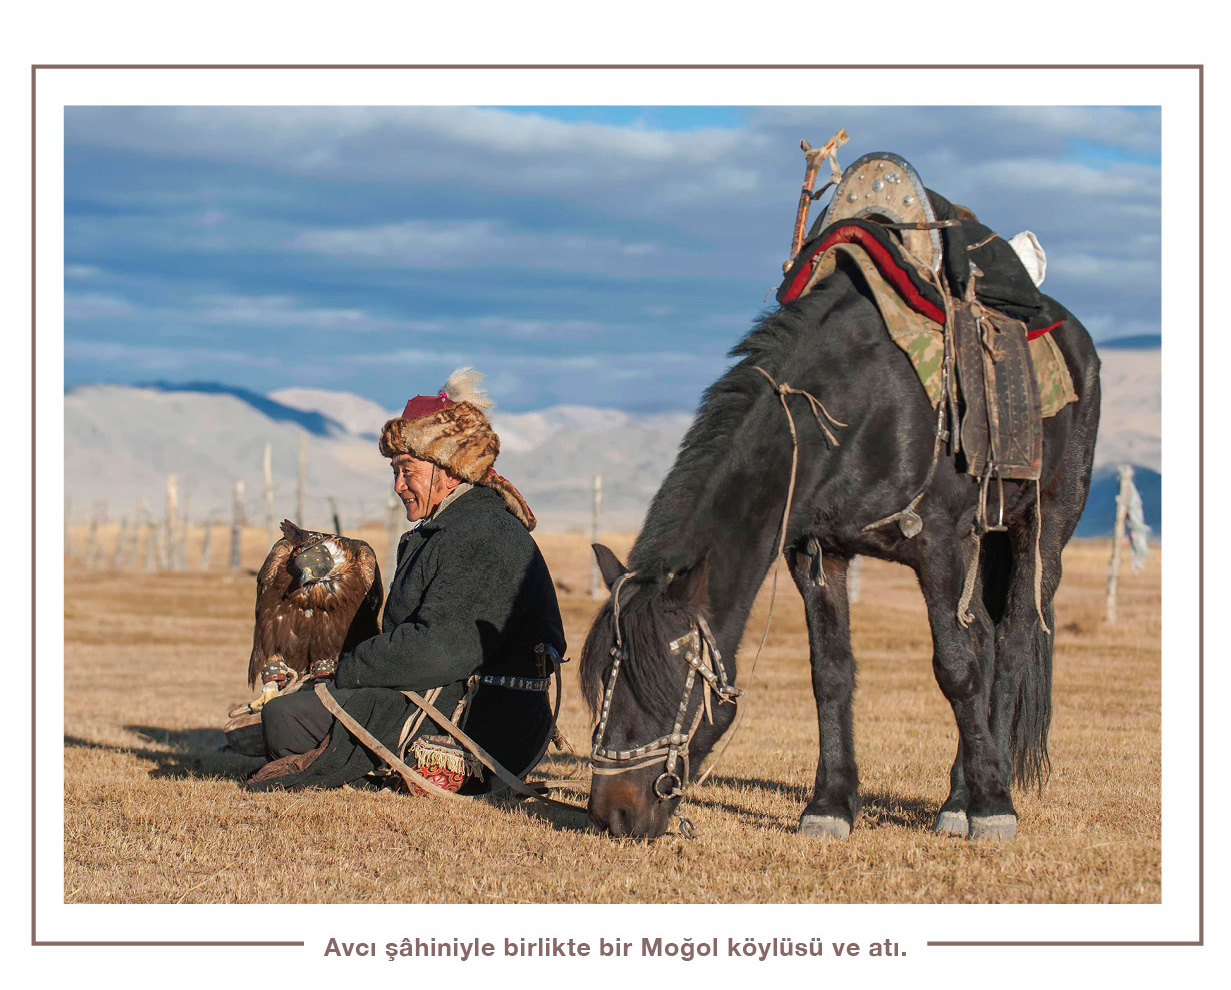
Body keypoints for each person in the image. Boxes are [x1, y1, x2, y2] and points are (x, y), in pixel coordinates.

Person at [246, 368, 566, 792]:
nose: (398, 485)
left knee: (283, 720)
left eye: (406, 469)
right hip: (463, 702)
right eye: (394, 471)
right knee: (288, 712)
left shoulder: (480, 533)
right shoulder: (458, 526)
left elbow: (437, 648)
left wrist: (347, 669)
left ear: (448, 467)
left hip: (484, 727)